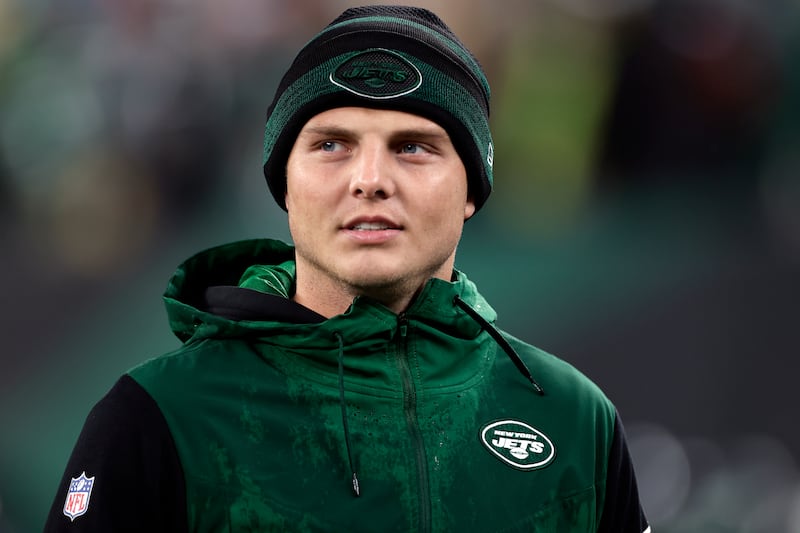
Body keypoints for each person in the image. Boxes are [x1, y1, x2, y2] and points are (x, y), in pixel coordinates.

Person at [44, 5, 650, 532]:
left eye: (412, 146)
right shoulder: (160, 414)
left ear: (473, 187)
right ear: (285, 182)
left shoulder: (572, 417)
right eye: (332, 144)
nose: (369, 181)